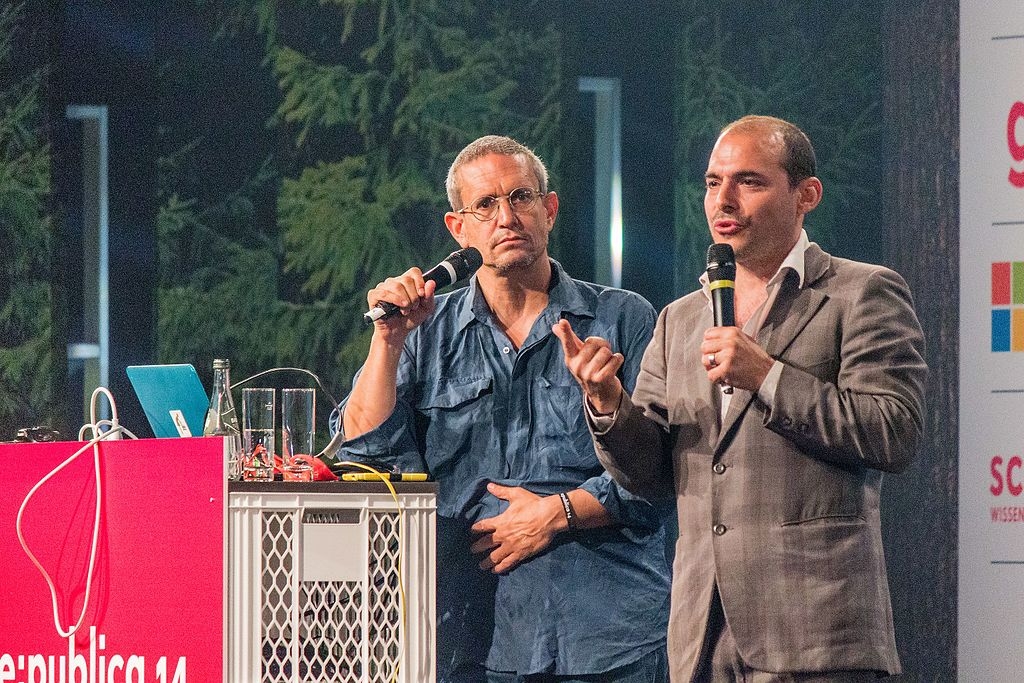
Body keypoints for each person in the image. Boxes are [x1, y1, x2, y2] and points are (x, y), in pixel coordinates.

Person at [555, 115, 927, 682]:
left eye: (748, 181)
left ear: (807, 194)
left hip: (815, 634)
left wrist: (768, 376)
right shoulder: (680, 319)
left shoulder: (861, 292)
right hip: (701, 634)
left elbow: (893, 431)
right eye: (711, 182)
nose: (723, 199)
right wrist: (608, 405)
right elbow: (651, 477)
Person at [337, 135, 671, 682]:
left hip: (607, 629)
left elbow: (660, 467)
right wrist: (389, 340)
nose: (506, 217)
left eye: (521, 197)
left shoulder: (622, 318)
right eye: (485, 205)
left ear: (550, 209)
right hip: (473, 630)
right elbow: (365, 451)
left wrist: (557, 513)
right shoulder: (426, 333)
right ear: (457, 228)